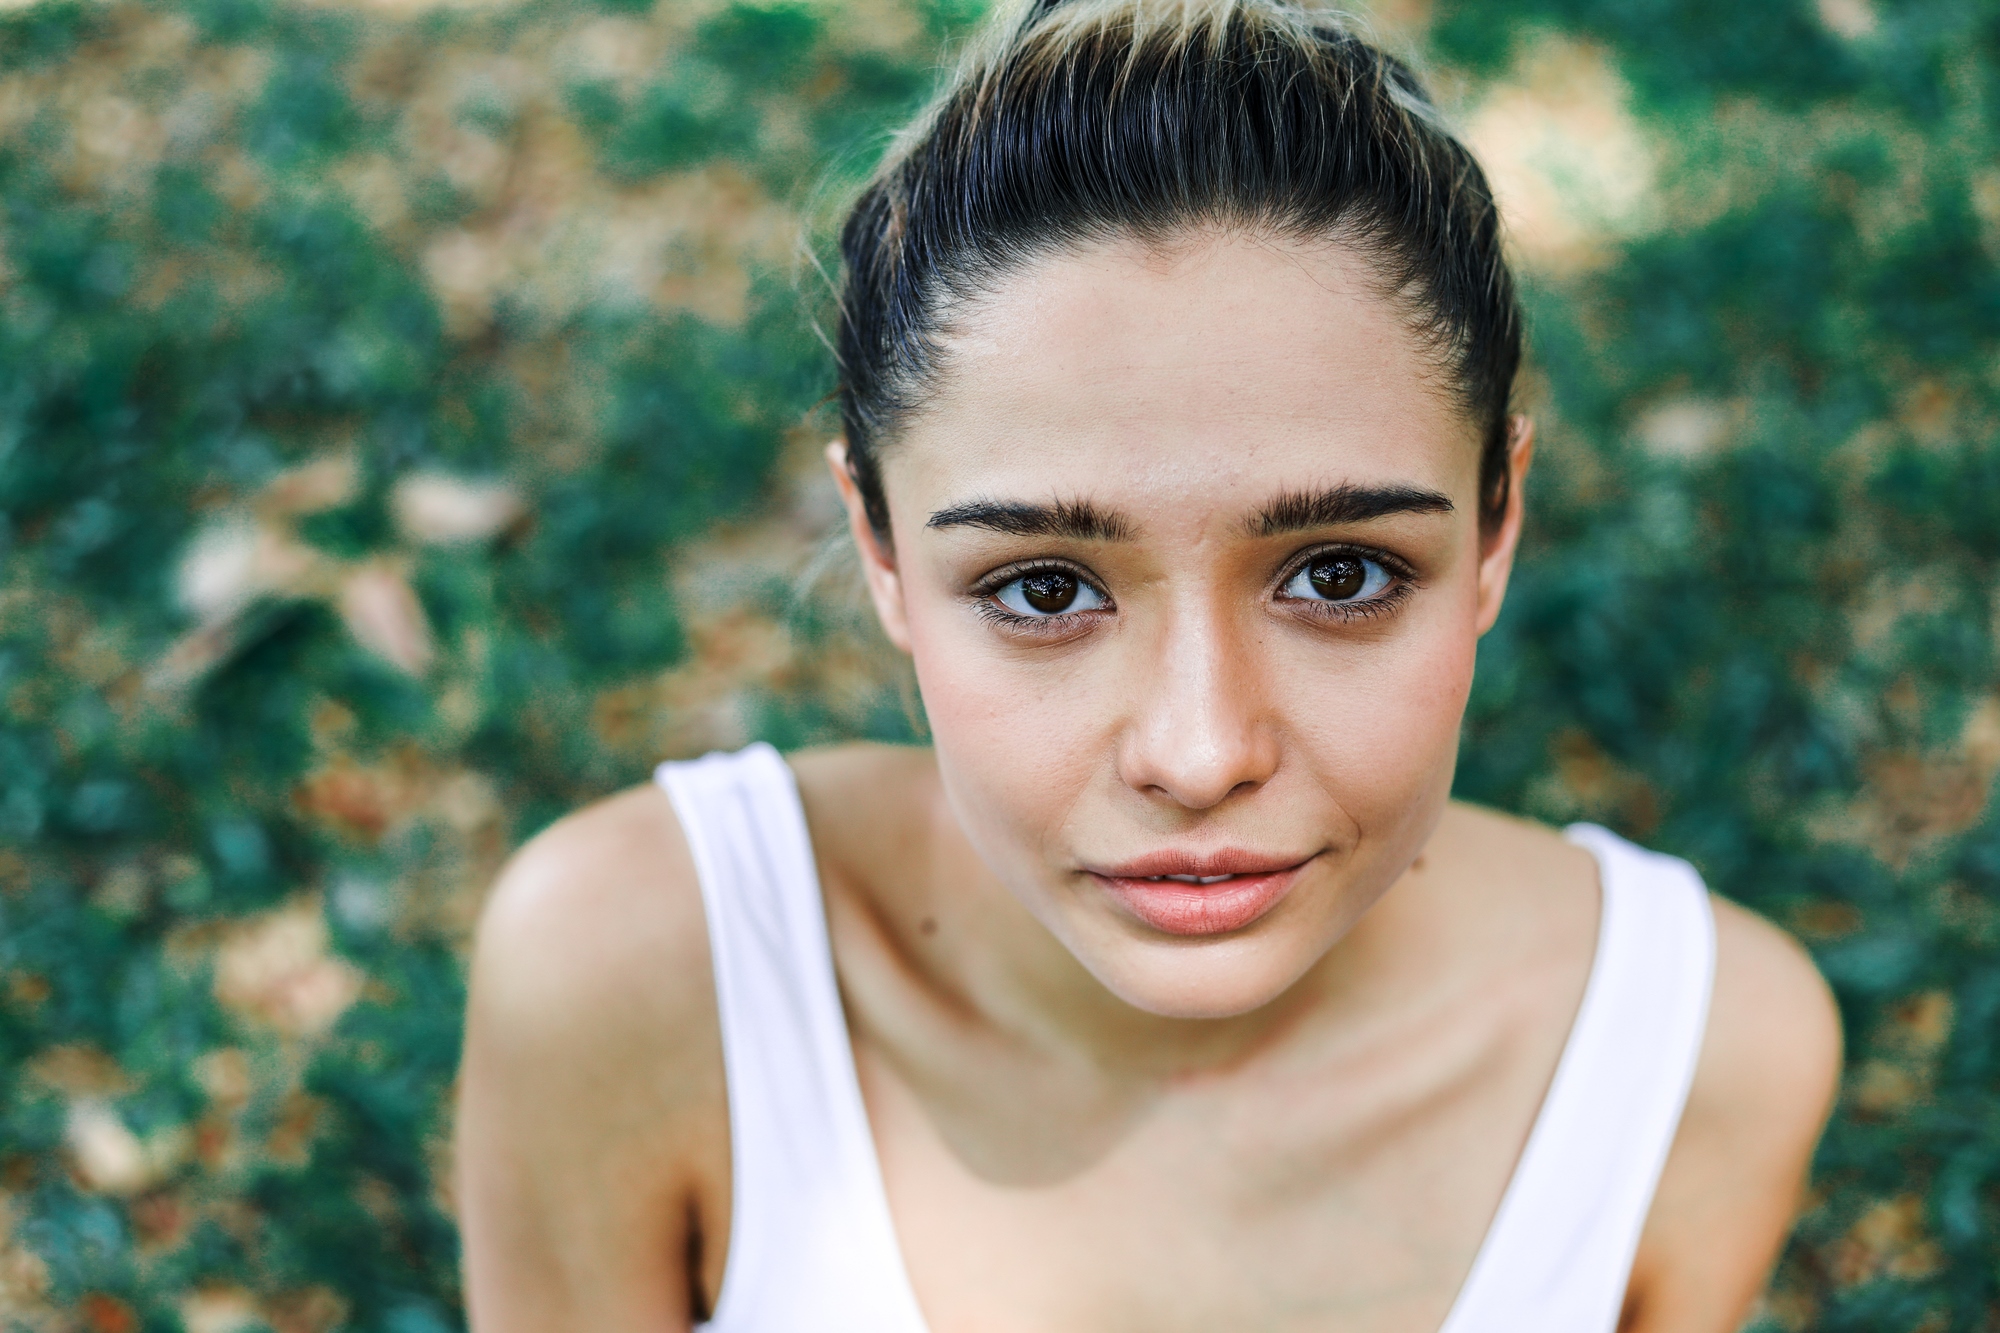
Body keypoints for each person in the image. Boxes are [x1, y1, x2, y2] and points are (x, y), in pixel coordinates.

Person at [453, 1, 1843, 1328]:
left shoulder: (1697, 1061)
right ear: (879, 546)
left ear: (1495, 528)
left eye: (1339, 574)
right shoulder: (638, 974)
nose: (1197, 750)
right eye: (1044, 587)